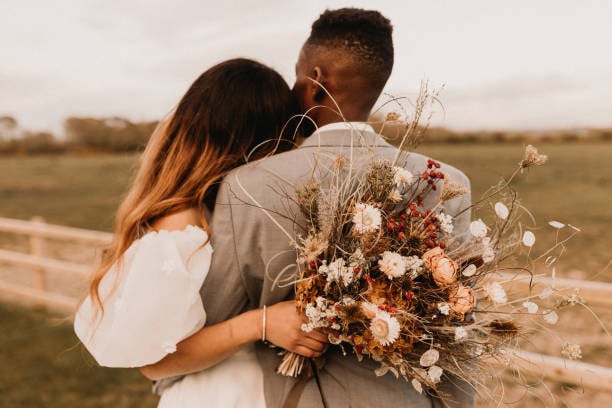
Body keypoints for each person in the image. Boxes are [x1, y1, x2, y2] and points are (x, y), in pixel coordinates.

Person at [196, 8, 476, 408]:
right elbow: (460, 325)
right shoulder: (446, 184)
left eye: (297, 75)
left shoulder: (246, 185)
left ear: (315, 80)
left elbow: (215, 319)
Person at [73, 58, 328, 407]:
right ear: (258, 140)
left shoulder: (234, 209)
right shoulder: (184, 223)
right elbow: (154, 362)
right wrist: (260, 323)